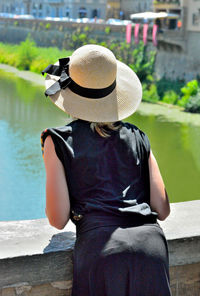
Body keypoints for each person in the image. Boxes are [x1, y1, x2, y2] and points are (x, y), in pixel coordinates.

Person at [40, 44, 171, 296]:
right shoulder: (138, 135)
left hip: (102, 253)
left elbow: (57, 219)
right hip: (151, 250)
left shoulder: (56, 140)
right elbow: (162, 209)